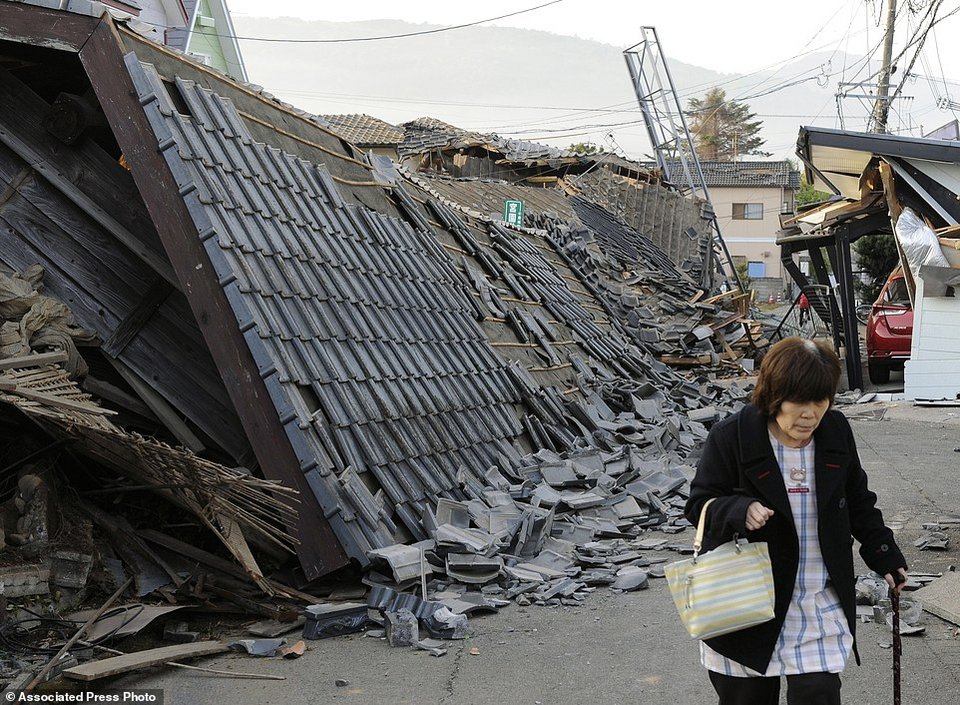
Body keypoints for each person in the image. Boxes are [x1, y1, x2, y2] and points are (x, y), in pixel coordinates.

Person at [686, 337, 907, 705]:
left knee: (817, 692)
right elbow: (699, 505)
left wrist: (884, 554)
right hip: (748, 601)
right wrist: (738, 510)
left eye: (820, 401)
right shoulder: (733, 437)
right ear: (773, 395)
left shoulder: (835, 432)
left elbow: (857, 501)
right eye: (799, 402)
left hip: (816, 598)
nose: (810, 414)